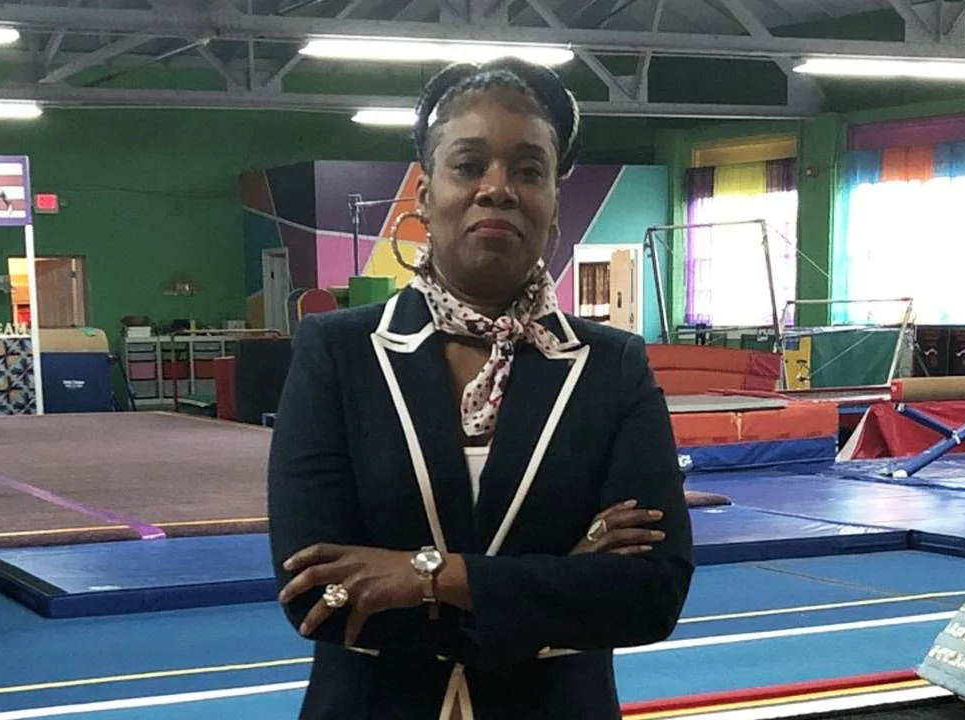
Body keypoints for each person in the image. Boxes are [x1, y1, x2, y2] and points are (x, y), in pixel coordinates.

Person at [267, 57, 693, 720]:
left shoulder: (612, 367)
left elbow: (651, 595)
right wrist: (562, 578)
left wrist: (427, 577)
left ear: (554, 207)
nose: (498, 189)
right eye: (469, 166)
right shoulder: (339, 353)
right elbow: (317, 597)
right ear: (425, 197)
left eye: (528, 170)